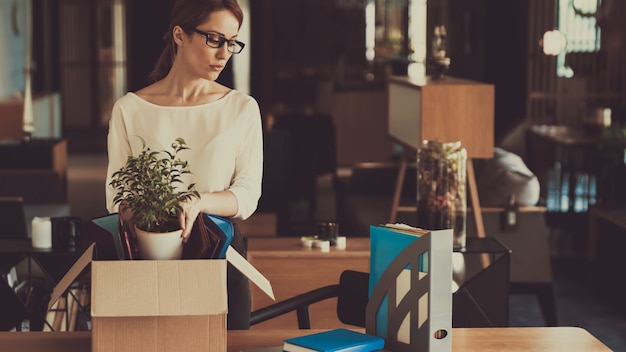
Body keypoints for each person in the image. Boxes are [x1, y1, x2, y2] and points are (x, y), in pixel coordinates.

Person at [104, 0, 262, 330]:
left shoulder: (241, 109)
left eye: (232, 43)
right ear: (180, 34)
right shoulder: (130, 110)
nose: (224, 54)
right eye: (215, 39)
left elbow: (247, 195)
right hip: (148, 256)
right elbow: (118, 198)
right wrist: (157, 227)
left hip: (218, 253)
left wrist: (198, 201)